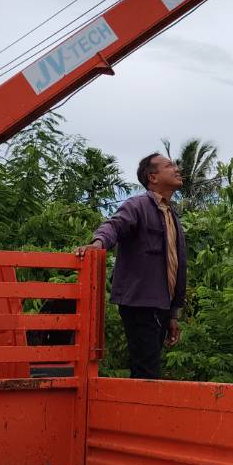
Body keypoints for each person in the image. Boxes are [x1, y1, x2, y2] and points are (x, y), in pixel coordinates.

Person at [83, 152, 186, 379]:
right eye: (169, 166)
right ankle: (143, 414)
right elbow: (115, 225)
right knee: (147, 372)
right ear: (153, 177)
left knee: (147, 370)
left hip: (161, 306)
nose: (177, 169)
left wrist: (173, 315)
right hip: (140, 302)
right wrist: (98, 243)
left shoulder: (171, 215)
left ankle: (141, 412)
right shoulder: (138, 205)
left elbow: (175, 268)